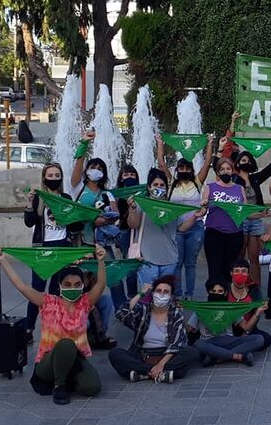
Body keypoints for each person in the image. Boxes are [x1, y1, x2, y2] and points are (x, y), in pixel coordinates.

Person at [0, 245, 106, 405]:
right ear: (60, 286)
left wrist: (101, 261)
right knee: (66, 344)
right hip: (48, 363)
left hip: (74, 359)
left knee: (93, 387)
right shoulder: (48, 302)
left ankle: (67, 378)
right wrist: (3, 260)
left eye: (77, 284)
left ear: (82, 285)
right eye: (67, 284)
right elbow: (22, 286)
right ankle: (59, 386)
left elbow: (100, 284)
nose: (72, 288)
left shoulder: (84, 303)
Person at [22, 163, 84, 344]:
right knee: (38, 290)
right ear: (44, 178)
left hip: (62, 247)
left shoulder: (65, 197)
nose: (54, 178)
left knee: (57, 290)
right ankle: (29, 327)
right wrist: (29, 203)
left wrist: (67, 217)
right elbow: (29, 222)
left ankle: (55, 327)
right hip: (43, 248)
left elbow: (76, 225)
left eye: (57, 175)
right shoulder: (38, 198)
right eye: (50, 175)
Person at [157, 133, 213, 299]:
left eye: (187, 168)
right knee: (177, 263)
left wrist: (209, 143)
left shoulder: (197, 182)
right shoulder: (171, 183)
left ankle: (189, 294)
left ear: (191, 170)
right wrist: (160, 142)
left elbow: (207, 164)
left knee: (190, 264)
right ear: (177, 170)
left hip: (195, 228)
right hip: (176, 228)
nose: (184, 171)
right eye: (181, 168)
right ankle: (178, 294)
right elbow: (161, 164)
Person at [108, 275, 194, 382]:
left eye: (166, 292)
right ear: (152, 293)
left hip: (166, 355)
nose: (161, 294)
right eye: (158, 291)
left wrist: (161, 364)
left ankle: (142, 373)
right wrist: (141, 293)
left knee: (191, 352)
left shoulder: (175, 313)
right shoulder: (143, 310)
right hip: (143, 354)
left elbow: (176, 343)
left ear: (171, 296)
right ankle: (158, 373)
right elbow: (121, 314)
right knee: (115, 354)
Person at [127, 168, 191, 288]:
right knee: (146, 297)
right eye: (155, 184)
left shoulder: (171, 207)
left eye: (162, 185)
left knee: (164, 296)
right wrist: (132, 209)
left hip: (169, 259)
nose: (159, 187)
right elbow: (133, 224)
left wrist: (195, 217)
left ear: (166, 188)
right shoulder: (142, 204)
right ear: (149, 187)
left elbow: (181, 228)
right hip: (147, 259)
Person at [233, 143, 271, 284]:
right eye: (243, 160)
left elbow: (269, 170)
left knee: (254, 257)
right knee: (240, 257)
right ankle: (239, 287)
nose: (246, 162)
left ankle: (256, 287)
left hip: (256, 221)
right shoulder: (235, 181)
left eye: (248, 161)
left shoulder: (254, 178)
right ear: (237, 164)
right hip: (242, 220)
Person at [188, 282, 265, 366]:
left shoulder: (230, 308)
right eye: (213, 291)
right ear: (208, 292)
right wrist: (179, 313)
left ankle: (218, 356)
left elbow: (246, 327)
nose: (216, 294)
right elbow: (188, 330)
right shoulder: (201, 309)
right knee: (198, 344)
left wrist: (257, 312)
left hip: (229, 341)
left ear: (225, 293)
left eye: (220, 291)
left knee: (259, 338)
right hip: (209, 342)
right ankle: (238, 356)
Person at [202, 158, 248, 284]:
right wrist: (203, 205)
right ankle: (215, 299)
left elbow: (245, 211)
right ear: (218, 172)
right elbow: (202, 210)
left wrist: (262, 213)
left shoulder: (240, 189)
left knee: (230, 271)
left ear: (232, 171)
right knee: (215, 272)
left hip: (235, 235)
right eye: (222, 169)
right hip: (214, 235)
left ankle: (231, 300)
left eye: (228, 169)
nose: (225, 171)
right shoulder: (210, 187)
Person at [69, 131, 118, 247]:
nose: (96, 170)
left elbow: (115, 215)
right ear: (86, 170)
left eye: (100, 169)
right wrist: (84, 143)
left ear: (103, 174)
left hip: (103, 241)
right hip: (82, 240)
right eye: (92, 167)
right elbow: (78, 163)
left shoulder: (107, 194)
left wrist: (104, 221)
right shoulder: (78, 187)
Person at [110, 164, 142, 309]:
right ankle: (132, 297)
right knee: (130, 265)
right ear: (120, 178)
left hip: (141, 232)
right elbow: (114, 212)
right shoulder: (116, 193)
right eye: (126, 175)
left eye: (132, 175)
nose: (129, 177)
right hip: (124, 232)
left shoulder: (141, 192)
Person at [228, 259, 271, 350]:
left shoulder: (254, 291)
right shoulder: (225, 289)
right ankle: (241, 350)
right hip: (227, 329)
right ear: (231, 273)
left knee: (266, 339)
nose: (240, 274)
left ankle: (230, 350)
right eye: (236, 271)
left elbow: (255, 317)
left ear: (248, 274)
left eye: (244, 271)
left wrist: (259, 311)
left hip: (249, 328)